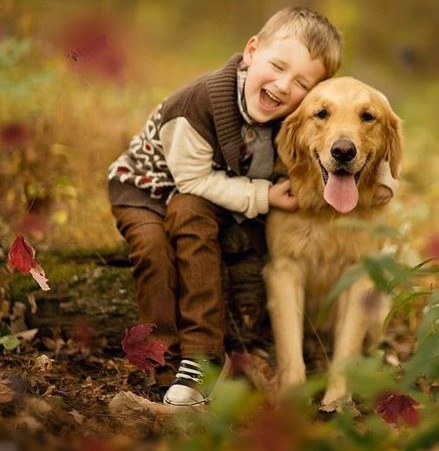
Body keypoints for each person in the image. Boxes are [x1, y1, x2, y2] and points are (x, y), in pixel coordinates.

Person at [107, 6, 394, 407]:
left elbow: (354, 132)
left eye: (300, 83)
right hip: (148, 191)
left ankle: (243, 349)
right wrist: (263, 197)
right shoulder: (195, 106)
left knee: (231, 236)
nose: (281, 85)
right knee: (155, 251)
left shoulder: (290, 112)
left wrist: (383, 179)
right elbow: (191, 182)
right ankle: (167, 361)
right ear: (251, 50)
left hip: (211, 195)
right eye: (277, 66)